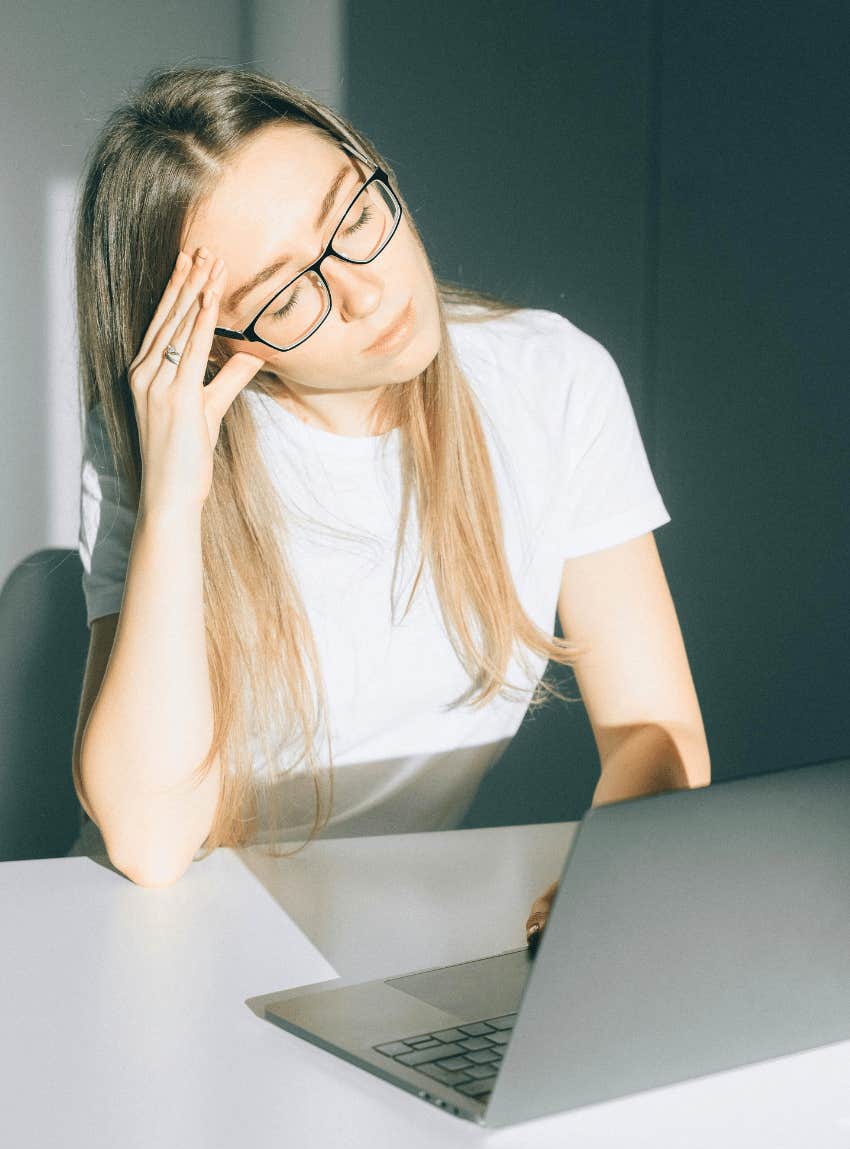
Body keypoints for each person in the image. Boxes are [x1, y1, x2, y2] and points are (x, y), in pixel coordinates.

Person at [70, 65, 710, 947]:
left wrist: (609, 895)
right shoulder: (154, 441)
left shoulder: (551, 379)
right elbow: (150, 842)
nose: (368, 293)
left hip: (405, 931)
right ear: (214, 346)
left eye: (357, 218)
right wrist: (177, 497)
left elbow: (657, 728)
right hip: (168, 935)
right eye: (288, 295)